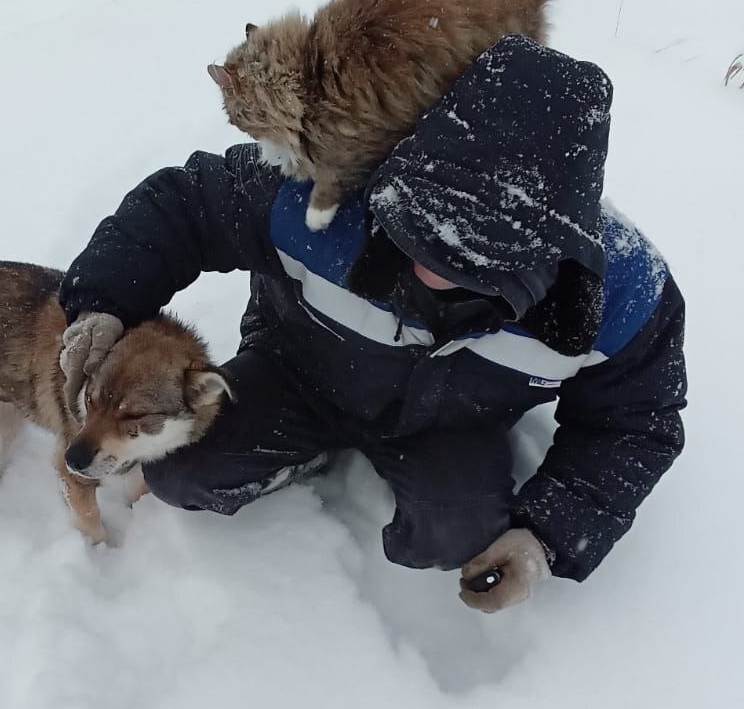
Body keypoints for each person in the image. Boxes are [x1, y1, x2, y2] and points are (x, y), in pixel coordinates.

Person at [58, 37, 686, 612]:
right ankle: (301, 455)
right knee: (179, 472)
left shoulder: (621, 296)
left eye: (469, 264)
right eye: (418, 231)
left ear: (548, 250)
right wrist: (102, 303)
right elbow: (187, 203)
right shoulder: (327, 186)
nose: (432, 272)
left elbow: (635, 424)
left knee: (457, 535)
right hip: (296, 369)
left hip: (449, 423)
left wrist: (548, 538)